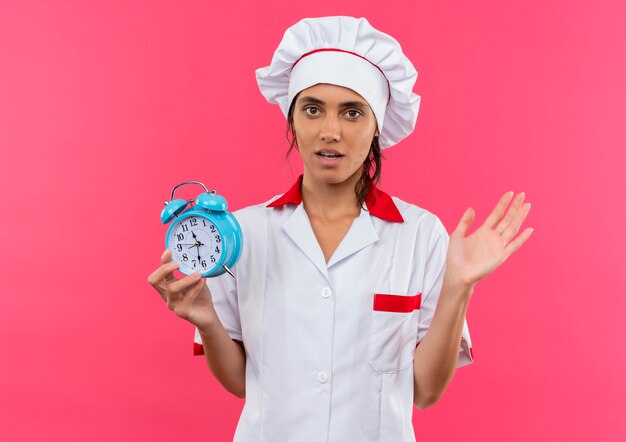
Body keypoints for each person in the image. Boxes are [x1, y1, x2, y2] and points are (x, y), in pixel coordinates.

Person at [147, 16, 533, 442]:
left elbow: (425, 391)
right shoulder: (242, 234)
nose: (330, 131)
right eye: (312, 109)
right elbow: (242, 383)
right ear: (292, 118)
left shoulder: (421, 234)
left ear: (377, 127)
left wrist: (459, 287)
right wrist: (208, 321)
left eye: (352, 113)